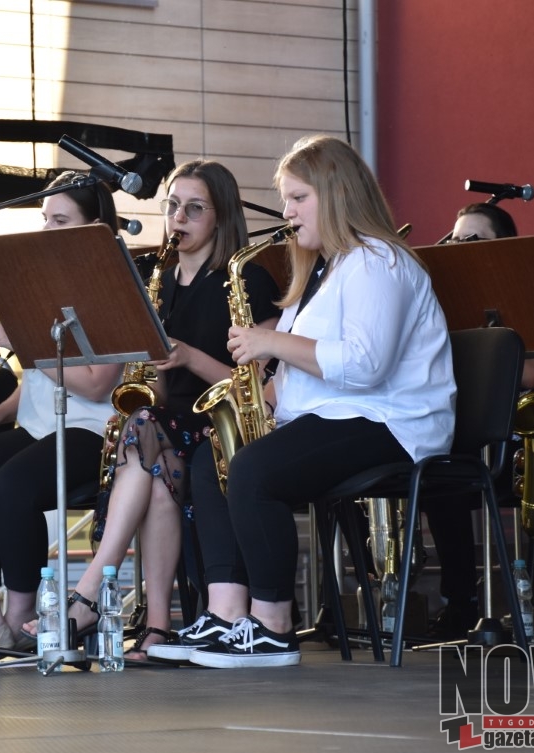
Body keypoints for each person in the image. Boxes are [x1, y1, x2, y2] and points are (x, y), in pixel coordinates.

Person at [145, 134, 456, 668]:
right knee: (212, 459)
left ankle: (273, 626)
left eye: (297, 198)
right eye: (287, 199)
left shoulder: (378, 261)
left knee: (256, 471)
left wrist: (269, 343)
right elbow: (296, 372)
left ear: (336, 194)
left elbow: (365, 363)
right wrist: (254, 405)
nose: (286, 212)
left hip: (390, 422)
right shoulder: (323, 269)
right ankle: (226, 613)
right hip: (333, 416)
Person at [23, 160, 281, 659]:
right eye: (172, 206)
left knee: (146, 434)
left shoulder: (247, 278)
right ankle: (158, 628)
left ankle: (91, 590)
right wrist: (153, 364)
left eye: (194, 208)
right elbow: (161, 393)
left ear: (221, 215)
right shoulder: (160, 281)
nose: (178, 218)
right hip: (168, 424)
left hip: (226, 423)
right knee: (152, 453)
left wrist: (189, 357)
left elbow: (263, 389)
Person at [0, 172, 123, 663]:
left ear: (94, 227)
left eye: (61, 219)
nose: (48, 229)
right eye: (45, 219)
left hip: (91, 429)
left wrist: (21, 343)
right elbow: (39, 381)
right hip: (37, 424)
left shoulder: (111, 285)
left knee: (10, 488)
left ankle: (23, 618)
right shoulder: (38, 281)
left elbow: (98, 383)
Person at [422, 201, 534, 639]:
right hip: (464, 428)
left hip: (518, 435)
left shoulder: (528, 293)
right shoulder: (444, 298)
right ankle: (461, 603)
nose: (461, 249)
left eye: (473, 240)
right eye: (455, 240)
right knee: (439, 475)